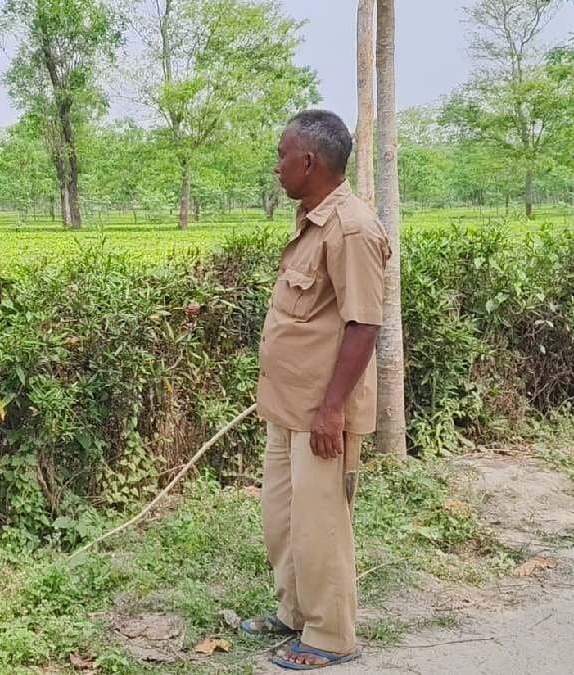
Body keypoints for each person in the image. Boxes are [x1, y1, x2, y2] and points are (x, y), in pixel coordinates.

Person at [241, 110, 390, 671]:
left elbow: (365, 323)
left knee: (321, 524)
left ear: (309, 161)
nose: (276, 166)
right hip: (288, 407)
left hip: (321, 415)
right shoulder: (314, 221)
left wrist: (332, 410)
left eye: (282, 155)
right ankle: (295, 614)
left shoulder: (351, 227)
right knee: (282, 518)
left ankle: (331, 636)